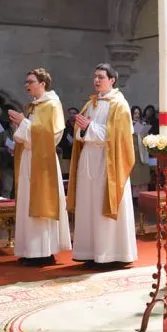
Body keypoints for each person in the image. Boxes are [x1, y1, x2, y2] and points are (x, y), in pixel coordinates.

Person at [66, 63, 137, 267]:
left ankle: (109, 254)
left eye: (101, 77)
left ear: (112, 80)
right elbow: (81, 133)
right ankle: (91, 252)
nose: (96, 80)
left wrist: (89, 127)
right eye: (95, 77)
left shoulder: (119, 104)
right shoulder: (91, 104)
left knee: (102, 205)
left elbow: (119, 137)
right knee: (89, 205)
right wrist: (80, 128)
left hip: (109, 163)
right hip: (89, 159)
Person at [9, 68, 71, 266]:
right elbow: (29, 133)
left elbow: (53, 135)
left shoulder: (52, 104)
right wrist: (19, 126)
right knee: (28, 201)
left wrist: (24, 123)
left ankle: (44, 251)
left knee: (41, 203)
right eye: (26, 82)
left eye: (31, 81)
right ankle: (29, 250)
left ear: (43, 83)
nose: (27, 85)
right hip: (29, 158)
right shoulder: (33, 106)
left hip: (43, 161)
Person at [130, 105, 151, 198]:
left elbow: (146, 139)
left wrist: (142, 130)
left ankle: (143, 197)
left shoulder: (143, 124)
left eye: (138, 113)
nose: (137, 115)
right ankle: (134, 198)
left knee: (143, 177)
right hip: (132, 153)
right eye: (135, 113)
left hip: (142, 153)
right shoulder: (128, 124)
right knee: (134, 178)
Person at [57, 107, 78, 178]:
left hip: (77, 152)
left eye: (74, 113)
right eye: (70, 113)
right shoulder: (64, 127)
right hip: (66, 153)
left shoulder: (79, 126)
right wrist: (66, 144)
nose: (72, 115)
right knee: (67, 174)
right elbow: (59, 140)